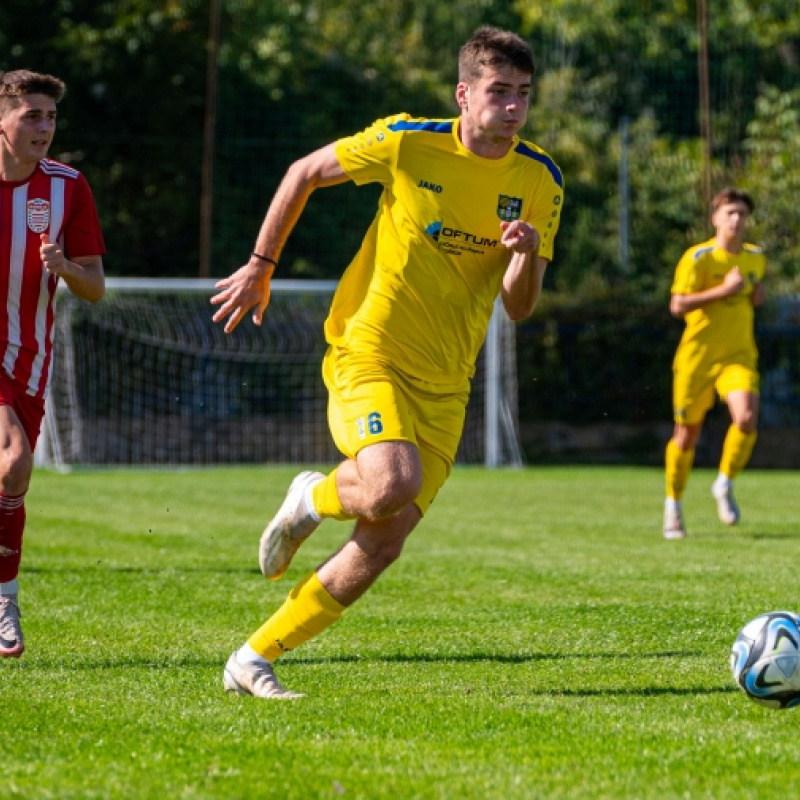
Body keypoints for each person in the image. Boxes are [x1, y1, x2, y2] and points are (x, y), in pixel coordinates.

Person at [211, 26, 564, 698]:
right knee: (387, 483)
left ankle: (252, 657)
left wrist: (523, 251)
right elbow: (304, 173)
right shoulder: (409, 140)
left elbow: (518, 308)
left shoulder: (540, 179)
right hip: (369, 348)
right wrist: (261, 266)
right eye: (498, 92)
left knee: (385, 539)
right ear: (465, 94)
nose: (512, 107)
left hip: (447, 383)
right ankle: (313, 496)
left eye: (523, 94)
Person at [0, 70, 106, 657]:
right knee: (14, 463)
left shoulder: (68, 188)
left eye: (51, 117)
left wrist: (65, 268)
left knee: (11, 477)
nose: (44, 128)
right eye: (31, 116)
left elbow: (95, 289)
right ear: (3, 119)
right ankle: (6, 603)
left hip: (28, 361)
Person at [663, 187, 765, 540]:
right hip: (697, 359)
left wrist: (755, 296)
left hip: (737, 357)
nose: (737, 219)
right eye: (730, 213)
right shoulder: (699, 258)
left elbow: (752, 296)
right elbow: (677, 306)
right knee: (686, 436)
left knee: (747, 418)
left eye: (742, 214)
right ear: (715, 218)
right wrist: (723, 291)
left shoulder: (755, 258)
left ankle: (724, 483)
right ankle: (673, 507)